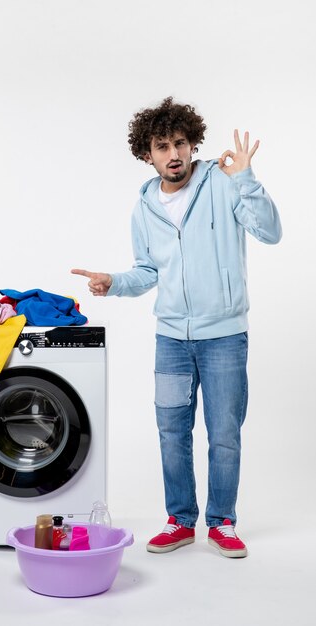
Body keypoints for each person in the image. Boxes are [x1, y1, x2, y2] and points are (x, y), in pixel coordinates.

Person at [71, 97, 282, 558]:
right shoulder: (145, 206)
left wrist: (246, 179)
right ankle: (180, 520)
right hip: (171, 340)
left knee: (224, 432)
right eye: (162, 146)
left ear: (192, 145)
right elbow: (147, 270)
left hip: (224, 335)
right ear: (147, 154)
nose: (174, 154)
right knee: (172, 431)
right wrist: (114, 282)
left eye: (181, 144)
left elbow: (270, 232)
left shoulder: (224, 185)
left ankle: (222, 522)